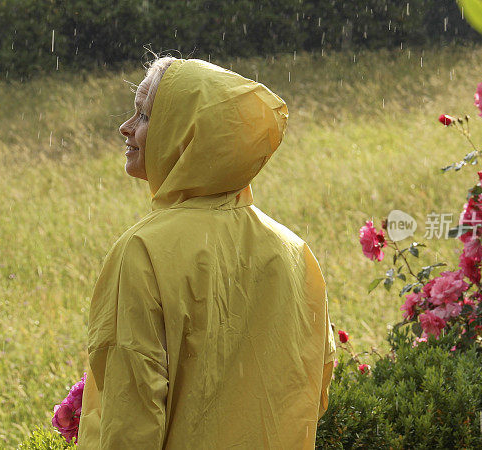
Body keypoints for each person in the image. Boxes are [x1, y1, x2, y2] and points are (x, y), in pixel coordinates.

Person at [76, 55, 336, 449]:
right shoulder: (294, 252)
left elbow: (130, 416)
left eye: (144, 117)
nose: (125, 128)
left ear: (186, 133)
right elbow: (311, 387)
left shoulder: (143, 250)